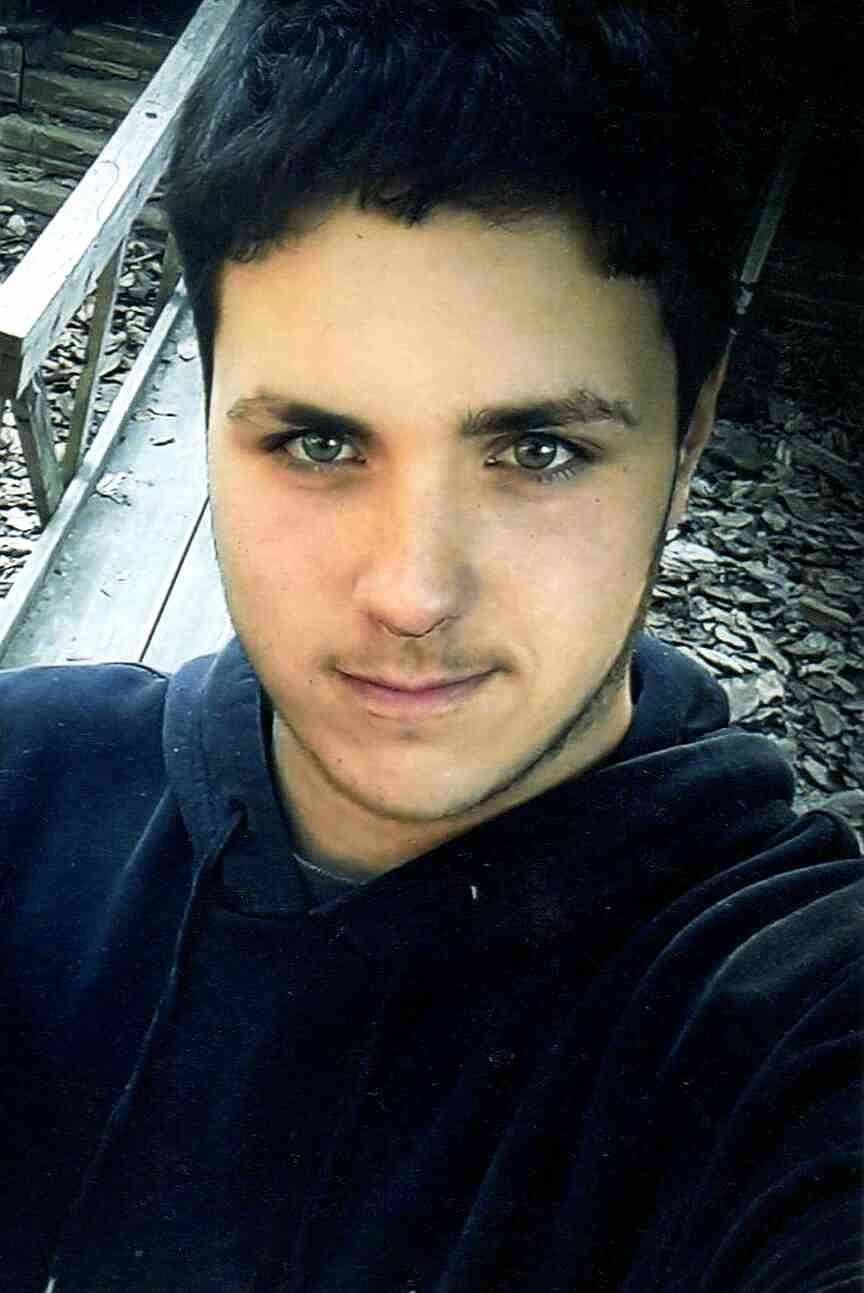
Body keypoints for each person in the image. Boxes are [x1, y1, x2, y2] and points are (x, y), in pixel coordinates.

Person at [0, 2, 860, 1290]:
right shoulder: (21, 783)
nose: (412, 594)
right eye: (319, 443)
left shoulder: (788, 1016)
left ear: (689, 439)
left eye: (539, 451)